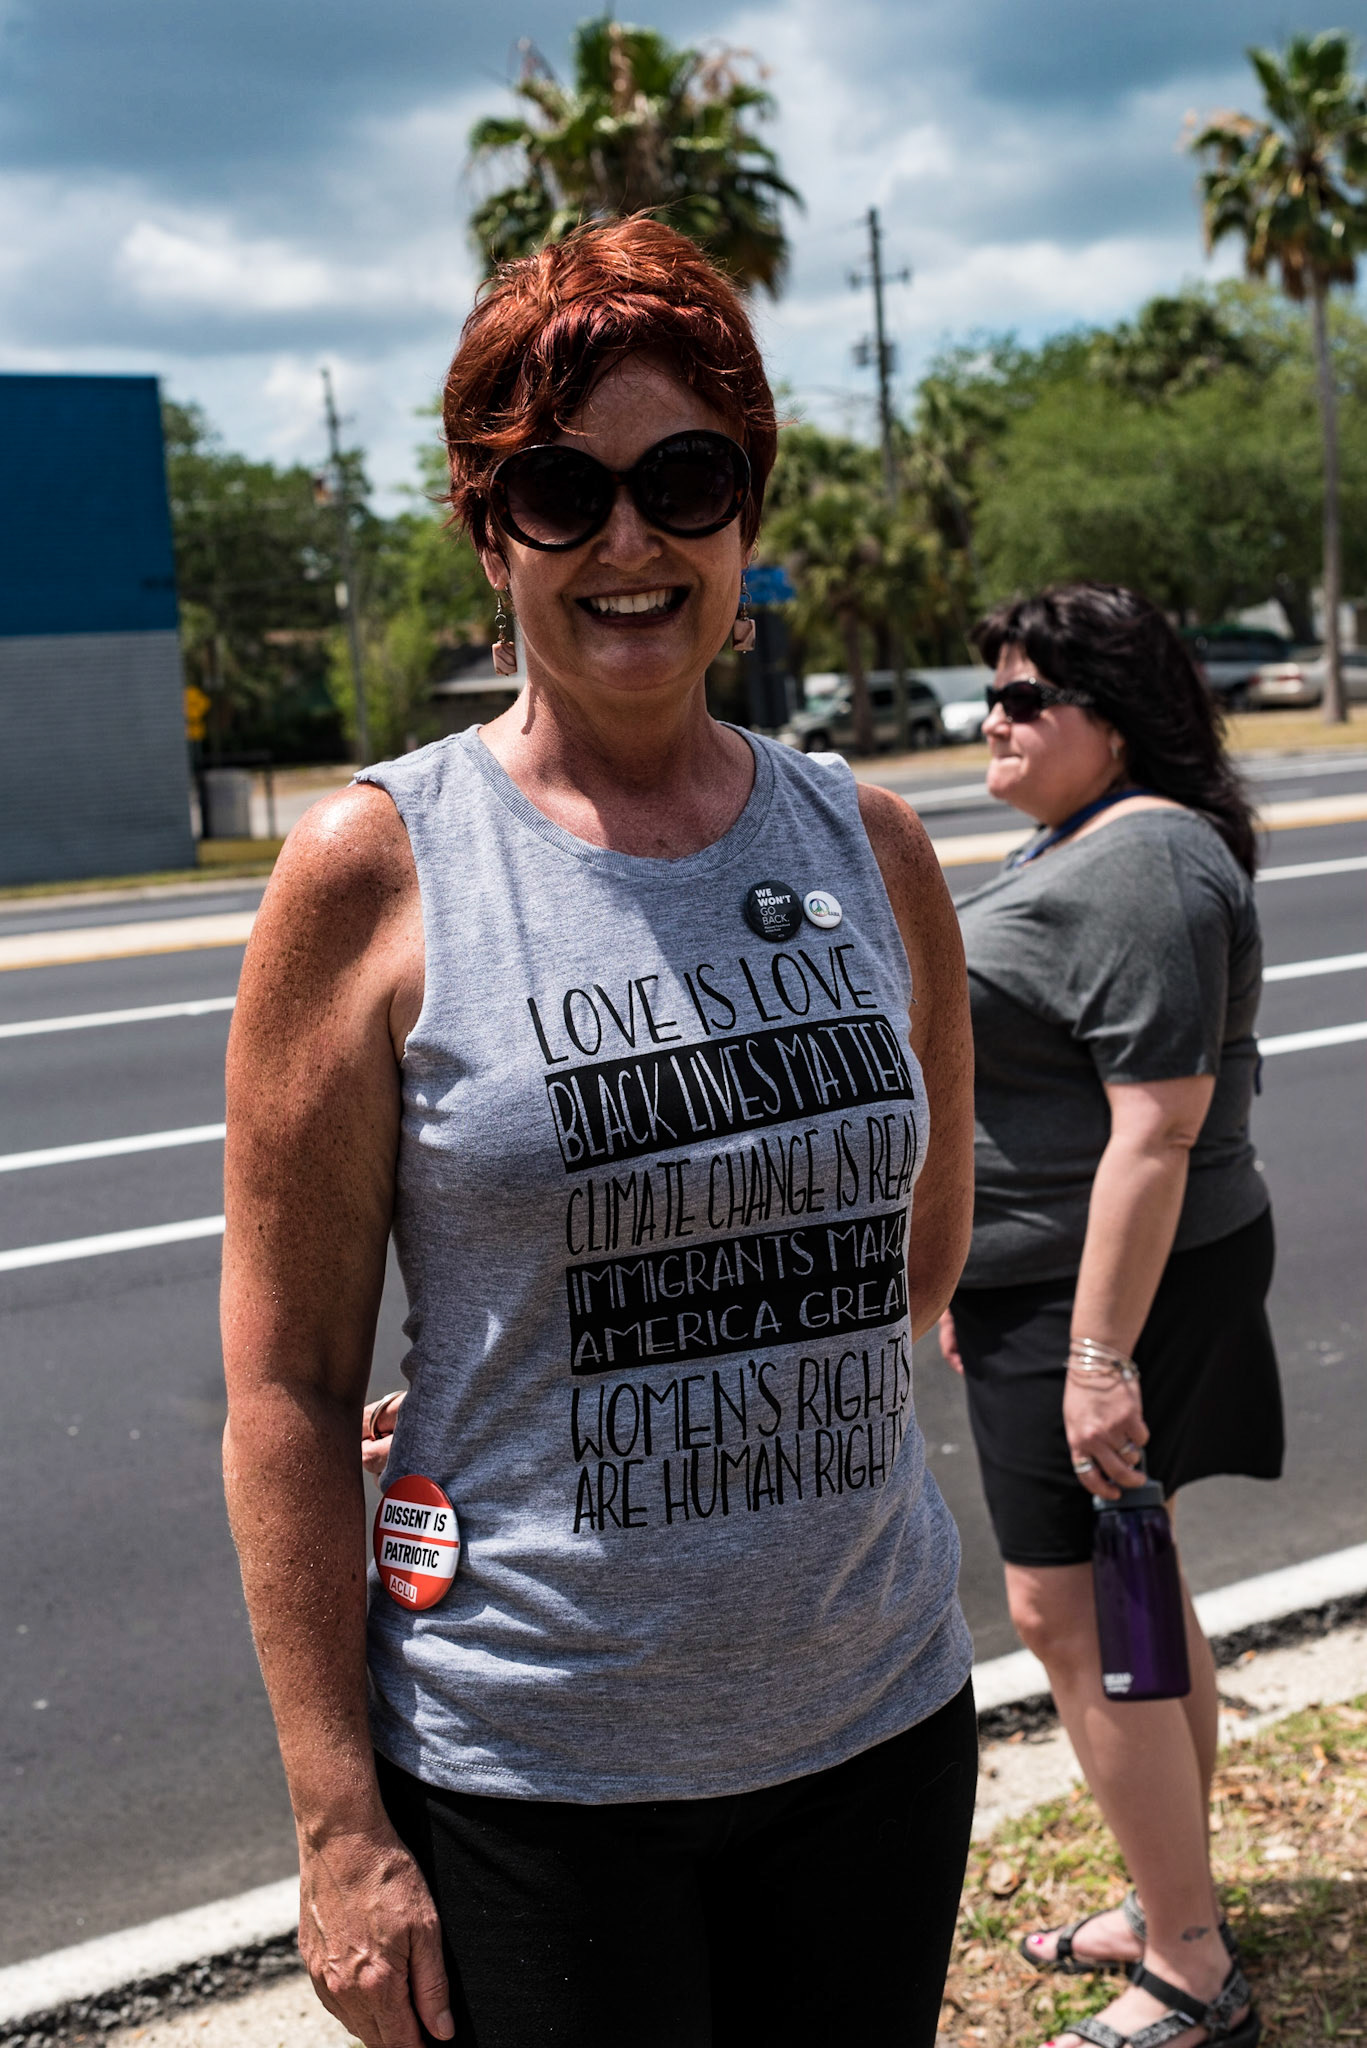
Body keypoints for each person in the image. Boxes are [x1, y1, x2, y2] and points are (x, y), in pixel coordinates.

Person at [221, 217, 980, 2048]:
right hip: (532, 1782)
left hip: (876, 1733)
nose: (628, 541)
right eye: (562, 491)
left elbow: (919, 1259)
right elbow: (288, 1385)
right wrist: (339, 1826)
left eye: (685, 480)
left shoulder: (872, 847)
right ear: (492, 537)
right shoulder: (373, 870)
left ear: (746, 519)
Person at [940, 583, 1279, 2048]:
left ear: (1118, 723)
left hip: (1108, 1291)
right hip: (1060, 1279)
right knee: (1135, 1591)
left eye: (1027, 698)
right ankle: (1171, 1896)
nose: (992, 720)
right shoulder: (1088, 842)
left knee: (1072, 1612)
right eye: (994, 692)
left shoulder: (1140, 867)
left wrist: (1091, 1358)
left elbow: (1155, 1129)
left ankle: (1191, 1970)